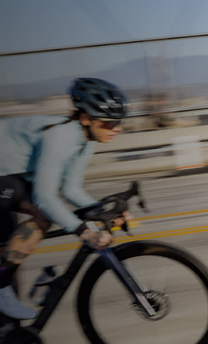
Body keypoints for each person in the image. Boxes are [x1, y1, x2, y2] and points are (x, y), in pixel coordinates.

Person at [0, 78, 131, 319]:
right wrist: (86, 232)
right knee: (42, 216)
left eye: (118, 122)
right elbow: (44, 197)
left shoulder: (86, 140)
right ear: (85, 118)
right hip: (5, 177)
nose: (116, 128)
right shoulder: (60, 136)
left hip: (10, 177)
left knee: (10, 249)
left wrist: (103, 211)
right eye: (109, 123)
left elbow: (70, 189)